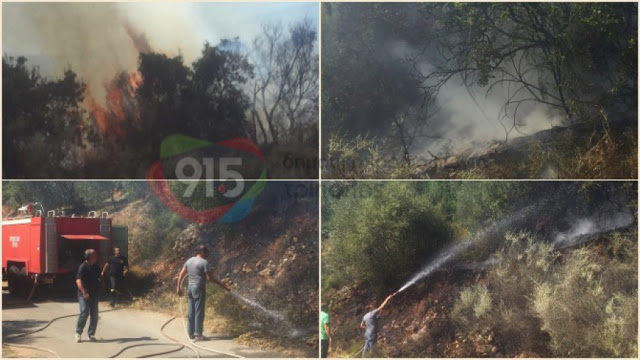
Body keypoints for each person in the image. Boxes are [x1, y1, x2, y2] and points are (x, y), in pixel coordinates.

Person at [176, 245, 230, 341]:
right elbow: (209, 278)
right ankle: (198, 335)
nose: (207, 255)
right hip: (198, 288)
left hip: (190, 288)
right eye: (207, 253)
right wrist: (221, 284)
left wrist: (178, 288)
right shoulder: (204, 263)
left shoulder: (189, 260)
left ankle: (190, 333)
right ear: (203, 252)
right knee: (199, 311)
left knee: (191, 311)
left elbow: (181, 274)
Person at [75, 249, 102, 343]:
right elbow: (78, 280)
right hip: (84, 294)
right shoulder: (83, 267)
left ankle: (91, 334)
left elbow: (99, 276)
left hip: (94, 294)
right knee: (84, 312)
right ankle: (78, 333)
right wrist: (84, 292)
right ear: (90, 257)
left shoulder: (96, 266)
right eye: (94, 255)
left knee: (94, 314)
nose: (96, 256)